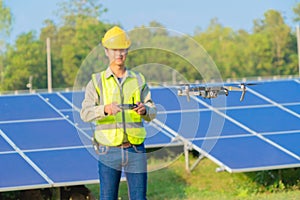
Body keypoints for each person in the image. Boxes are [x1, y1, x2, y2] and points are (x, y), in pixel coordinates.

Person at [80, 26, 157, 200]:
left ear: (127, 51)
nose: (119, 54)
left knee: (139, 198)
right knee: (107, 197)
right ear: (106, 51)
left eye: (122, 49)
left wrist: (145, 110)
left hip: (135, 149)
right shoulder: (96, 81)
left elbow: (152, 112)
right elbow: (85, 113)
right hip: (108, 151)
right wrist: (104, 110)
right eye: (114, 50)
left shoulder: (138, 79)